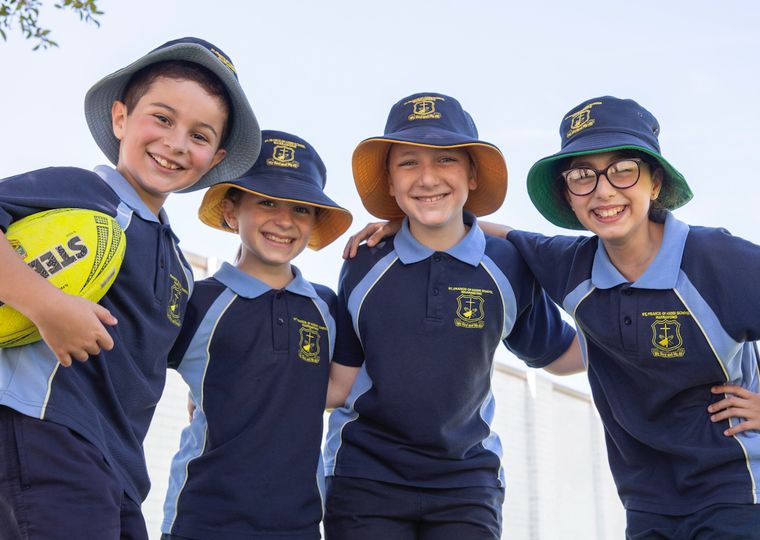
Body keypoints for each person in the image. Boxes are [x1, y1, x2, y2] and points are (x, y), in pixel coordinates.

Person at [0, 37, 260, 539]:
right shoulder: (83, 194)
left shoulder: (182, 269)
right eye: (162, 118)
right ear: (120, 118)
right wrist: (45, 304)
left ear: (215, 158)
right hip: (44, 432)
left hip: (119, 467)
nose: (177, 142)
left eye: (199, 135)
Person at [323, 92, 581, 540]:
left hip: (466, 481)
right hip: (365, 475)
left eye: (445, 160)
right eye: (407, 163)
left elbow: (558, 354)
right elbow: (339, 379)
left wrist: (656, 356)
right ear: (388, 181)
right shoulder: (364, 261)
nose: (427, 178)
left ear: (472, 174)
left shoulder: (508, 264)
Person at [501, 96, 760, 538]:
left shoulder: (718, 260)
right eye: (582, 175)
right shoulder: (571, 266)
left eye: (623, 170)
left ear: (655, 182)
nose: (603, 190)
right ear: (568, 194)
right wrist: (404, 225)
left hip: (736, 491)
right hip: (645, 501)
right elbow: (497, 233)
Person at [160, 131, 352, 540]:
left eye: (301, 208)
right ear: (231, 211)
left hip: (298, 524)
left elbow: (336, 391)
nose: (284, 221)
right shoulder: (198, 301)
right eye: (266, 201)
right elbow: (135, 372)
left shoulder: (327, 306)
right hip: (202, 519)